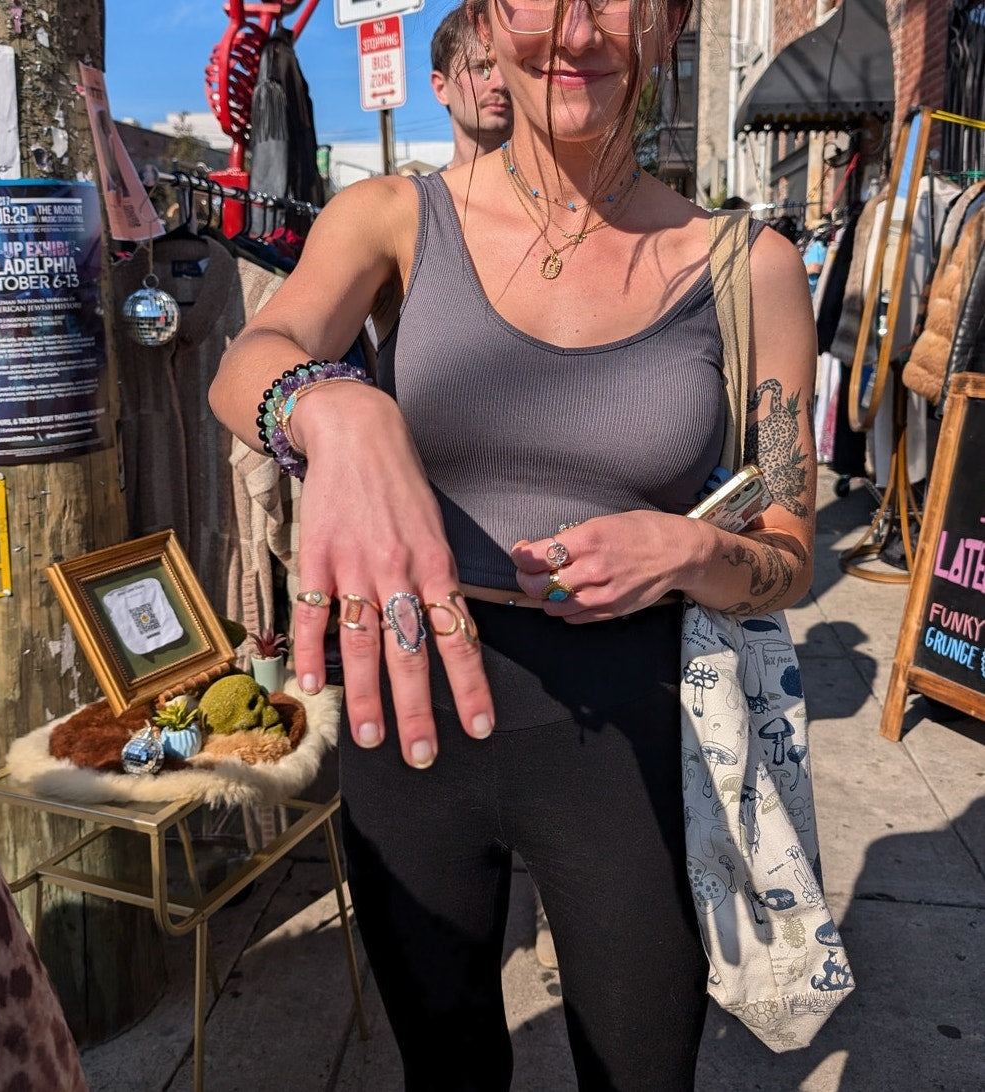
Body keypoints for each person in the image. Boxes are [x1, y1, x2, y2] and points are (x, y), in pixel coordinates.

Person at [210, 0, 817, 1085]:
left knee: (643, 1062)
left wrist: (686, 552)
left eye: (620, 1)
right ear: (488, 23)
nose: (580, 32)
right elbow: (252, 354)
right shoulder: (393, 217)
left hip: (631, 727)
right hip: (408, 709)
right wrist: (335, 409)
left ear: (671, 24)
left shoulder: (747, 263)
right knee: (442, 1064)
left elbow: (788, 541)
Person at [430, 3, 513, 169]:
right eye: (482, 68)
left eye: (508, 67)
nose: (501, 83)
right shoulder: (422, 195)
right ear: (441, 88)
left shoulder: (558, 189)